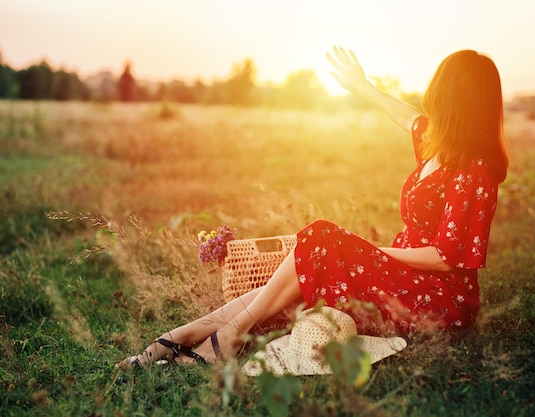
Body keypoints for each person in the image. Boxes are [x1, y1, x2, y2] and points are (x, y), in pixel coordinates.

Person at [115, 46, 508, 369]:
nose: (430, 97)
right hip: (401, 274)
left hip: (438, 299)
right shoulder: (435, 144)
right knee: (302, 270)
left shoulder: (474, 172)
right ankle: (190, 334)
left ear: (453, 100)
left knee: (320, 239)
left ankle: (219, 340)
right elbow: (408, 117)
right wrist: (364, 87)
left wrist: (369, 253)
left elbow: (446, 258)